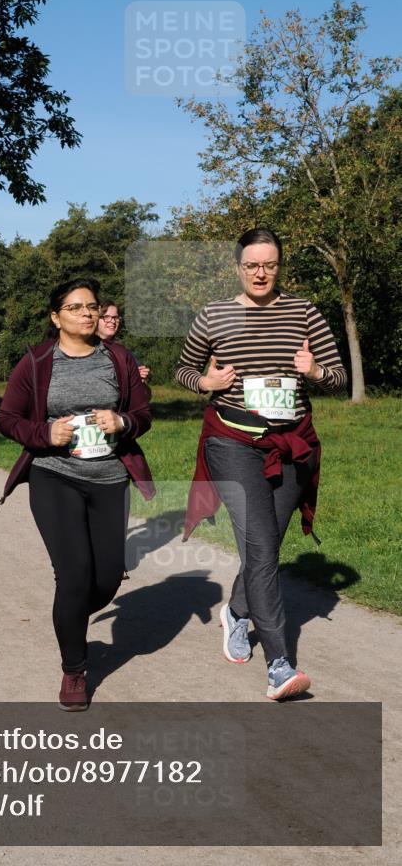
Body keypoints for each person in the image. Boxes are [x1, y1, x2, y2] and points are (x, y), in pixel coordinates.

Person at [176, 228, 347, 701]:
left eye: (269, 265)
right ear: (238, 267)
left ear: (279, 266)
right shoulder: (215, 314)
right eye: (252, 265)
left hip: (292, 444)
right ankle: (279, 663)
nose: (260, 273)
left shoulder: (304, 312)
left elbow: (337, 376)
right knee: (261, 542)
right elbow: (184, 370)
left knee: (264, 547)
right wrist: (207, 380)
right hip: (232, 441)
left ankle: (236, 611)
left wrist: (314, 372)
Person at [0, 278, 155, 711]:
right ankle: (75, 668)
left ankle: (69, 615)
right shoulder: (35, 362)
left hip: (108, 478)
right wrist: (44, 432)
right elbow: (7, 418)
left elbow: (143, 414)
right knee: (73, 575)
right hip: (55, 476)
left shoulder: (119, 359)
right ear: (56, 317)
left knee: (104, 579)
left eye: (91, 307)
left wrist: (122, 423)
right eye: (75, 308)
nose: (86, 314)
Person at [96, 299, 151, 579]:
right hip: (82, 441)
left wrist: (141, 384)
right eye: (106, 316)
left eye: (116, 317)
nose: (112, 321)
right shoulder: (80, 349)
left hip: (118, 440)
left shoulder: (124, 353)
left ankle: (114, 560)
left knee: (118, 502)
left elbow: (141, 406)